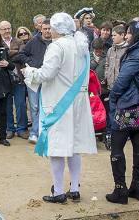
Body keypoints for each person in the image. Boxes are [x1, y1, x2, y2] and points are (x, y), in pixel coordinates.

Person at [22, 13, 97, 203]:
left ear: (58, 29)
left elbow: (46, 74)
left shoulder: (57, 46)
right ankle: (74, 187)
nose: (49, 30)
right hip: (78, 102)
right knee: (74, 147)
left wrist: (29, 71)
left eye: (52, 27)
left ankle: (58, 191)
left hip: (59, 102)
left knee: (56, 147)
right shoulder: (82, 46)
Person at [105, 20, 139, 204]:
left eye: (129, 33)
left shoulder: (137, 54)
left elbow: (122, 81)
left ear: (136, 34)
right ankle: (137, 186)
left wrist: (113, 99)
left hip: (129, 105)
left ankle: (120, 190)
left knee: (117, 146)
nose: (127, 35)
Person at [14, 20, 52, 144]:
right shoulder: (34, 41)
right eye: (45, 28)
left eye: (49, 28)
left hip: (50, 79)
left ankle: (44, 132)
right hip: (35, 78)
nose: (47, 31)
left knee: (47, 106)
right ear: (41, 29)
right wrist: (31, 63)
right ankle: (35, 133)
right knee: (35, 107)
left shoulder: (56, 42)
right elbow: (21, 54)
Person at [9, 26, 32, 139]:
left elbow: (21, 55)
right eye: (3, 29)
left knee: (21, 104)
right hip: (5, 79)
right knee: (7, 106)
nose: (6, 30)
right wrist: (15, 52)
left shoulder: (19, 42)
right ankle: (9, 129)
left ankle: (22, 129)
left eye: (8, 28)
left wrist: (8, 55)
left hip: (19, 78)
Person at [105, 24, 128, 91]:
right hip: (110, 86)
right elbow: (107, 64)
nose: (112, 37)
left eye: (115, 35)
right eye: (112, 35)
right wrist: (107, 76)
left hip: (122, 86)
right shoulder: (110, 50)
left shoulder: (127, 50)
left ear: (122, 35)